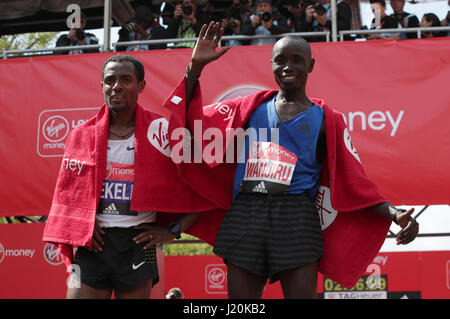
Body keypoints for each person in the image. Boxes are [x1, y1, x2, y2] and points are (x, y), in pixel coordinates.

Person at [167, 22, 419, 298]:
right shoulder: (247, 109)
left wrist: (395, 214)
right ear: (271, 65)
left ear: (311, 65)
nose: (288, 66)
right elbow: (191, 125)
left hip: (297, 217)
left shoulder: (327, 120)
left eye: (297, 60)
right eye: (280, 60)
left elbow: (354, 181)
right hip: (246, 212)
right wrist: (194, 69)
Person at [42, 54, 205, 299]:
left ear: (141, 86)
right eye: (110, 80)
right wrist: (80, 225)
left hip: (140, 244)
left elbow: (202, 185)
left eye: (125, 79)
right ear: (102, 87)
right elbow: (68, 194)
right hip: (92, 243)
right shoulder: (81, 134)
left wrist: (173, 230)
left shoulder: (160, 131)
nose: (116, 85)